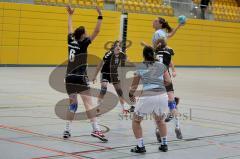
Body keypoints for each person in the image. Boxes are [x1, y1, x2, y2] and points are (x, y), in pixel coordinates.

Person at [63, 5, 107, 142]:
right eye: (86, 32)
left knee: (73, 105)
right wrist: (100, 15)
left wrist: (70, 15)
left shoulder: (71, 40)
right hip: (80, 77)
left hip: (69, 77)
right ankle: (96, 130)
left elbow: (70, 28)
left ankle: (67, 129)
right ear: (82, 35)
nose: (88, 34)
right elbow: (97, 31)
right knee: (88, 104)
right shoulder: (84, 43)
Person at [129, 46, 171, 153]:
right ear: (154, 54)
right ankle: (164, 144)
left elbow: (134, 85)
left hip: (148, 96)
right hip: (162, 95)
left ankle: (140, 146)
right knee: (160, 120)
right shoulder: (162, 65)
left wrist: (131, 94)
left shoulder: (140, 66)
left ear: (143, 55)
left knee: (136, 121)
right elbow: (168, 81)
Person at [92, 40, 129, 114]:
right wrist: (95, 76)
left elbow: (127, 60)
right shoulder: (109, 54)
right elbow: (100, 65)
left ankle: (124, 109)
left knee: (119, 91)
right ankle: (98, 108)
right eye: (117, 46)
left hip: (114, 74)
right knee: (104, 89)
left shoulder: (122, 54)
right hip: (105, 72)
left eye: (120, 46)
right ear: (114, 47)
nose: (118, 47)